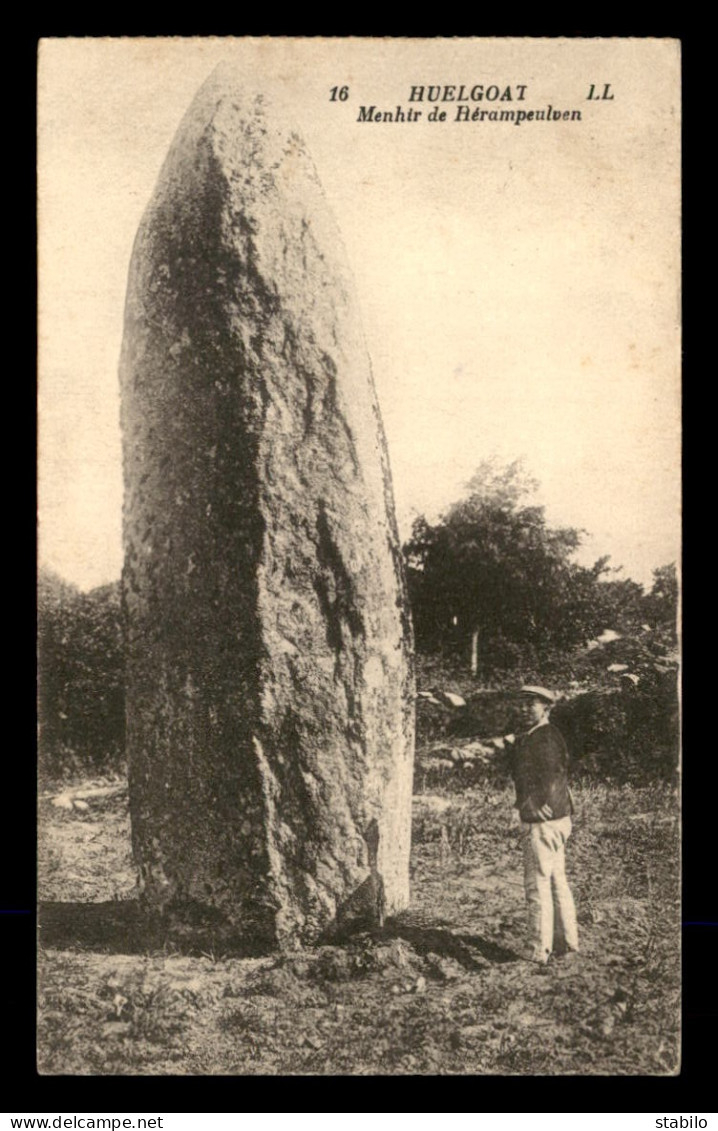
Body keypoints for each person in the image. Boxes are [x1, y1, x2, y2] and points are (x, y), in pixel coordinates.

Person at [505, 685, 579, 965]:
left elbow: (550, 774)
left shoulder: (543, 738)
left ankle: (538, 950)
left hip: (544, 822)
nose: (525, 709)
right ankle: (568, 943)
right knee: (556, 880)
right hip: (558, 818)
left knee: (537, 885)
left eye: (531, 704)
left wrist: (536, 804)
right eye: (522, 704)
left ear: (546, 707)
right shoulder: (544, 735)